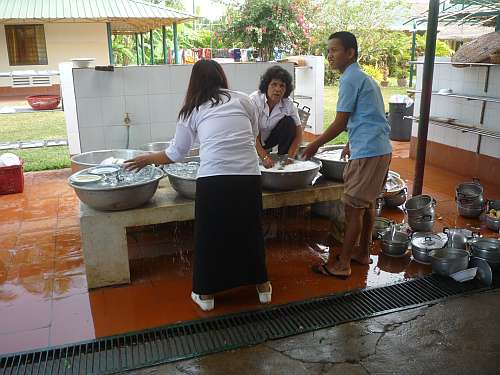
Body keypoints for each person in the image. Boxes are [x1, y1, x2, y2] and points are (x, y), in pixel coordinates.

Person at [124, 60, 272, 311]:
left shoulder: (192, 109)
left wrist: (147, 158)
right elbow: (253, 134)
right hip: (248, 177)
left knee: (210, 236)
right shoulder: (244, 100)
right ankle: (263, 288)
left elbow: (176, 154)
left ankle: (205, 296)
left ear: (194, 82)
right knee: (250, 229)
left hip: (214, 179)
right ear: (221, 77)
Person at [302, 31, 392, 278]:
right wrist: (352, 143)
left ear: (350, 53)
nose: (329, 55)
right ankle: (362, 253)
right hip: (378, 148)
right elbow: (370, 116)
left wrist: (314, 145)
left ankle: (342, 265)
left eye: (334, 50)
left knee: (353, 208)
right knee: (367, 204)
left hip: (369, 153)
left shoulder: (350, 79)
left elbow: (340, 122)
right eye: (328, 50)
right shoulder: (366, 78)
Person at [250, 66, 303, 168]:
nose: (278, 89)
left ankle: (283, 159)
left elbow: (299, 134)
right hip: (253, 138)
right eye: (274, 84)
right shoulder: (254, 101)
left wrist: (291, 158)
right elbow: (251, 133)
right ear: (266, 86)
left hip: (270, 139)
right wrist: (264, 157)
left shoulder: (289, 104)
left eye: (282, 86)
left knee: (289, 123)